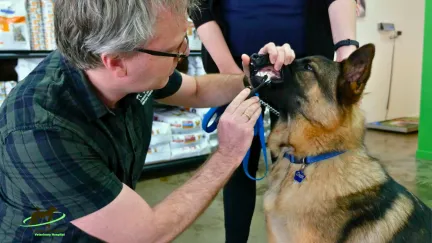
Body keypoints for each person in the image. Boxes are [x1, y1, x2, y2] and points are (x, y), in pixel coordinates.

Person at [0, 0, 297, 242]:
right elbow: (146, 234)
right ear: (116, 62)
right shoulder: (40, 132)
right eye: (172, 50)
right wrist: (228, 154)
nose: (184, 53)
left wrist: (255, 79)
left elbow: (195, 90)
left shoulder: (124, 71)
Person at [190, 0, 358, 242]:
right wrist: (233, 74)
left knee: (299, 165)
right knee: (238, 161)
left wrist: (346, 49)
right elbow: (199, 6)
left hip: (302, 70)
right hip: (235, 62)